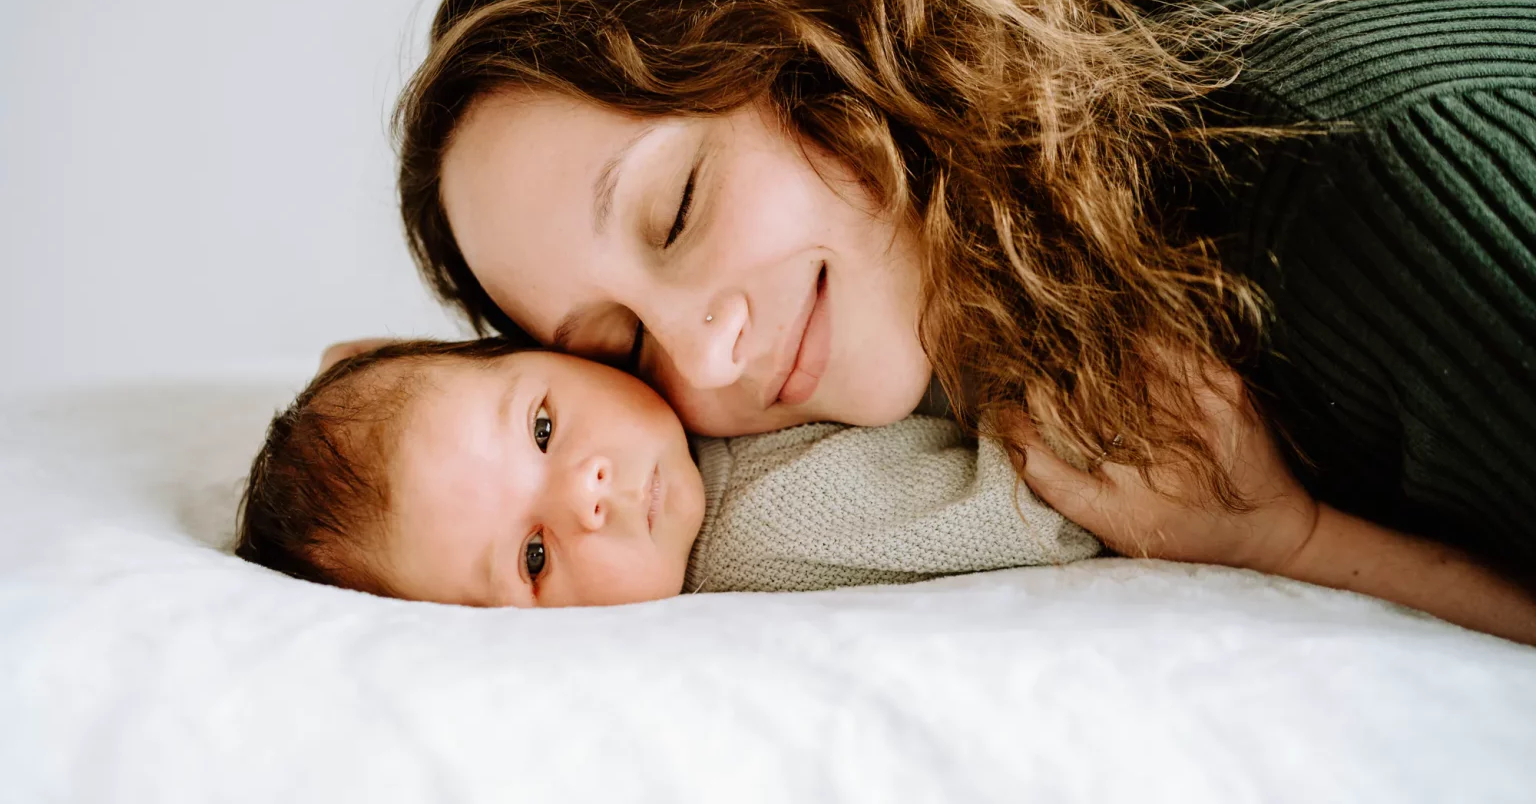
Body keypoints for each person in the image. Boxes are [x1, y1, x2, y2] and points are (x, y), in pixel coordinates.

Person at [353, 0, 1536, 637]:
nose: (706, 355)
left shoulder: (1354, 191)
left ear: (806, 51)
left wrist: (1295, 544)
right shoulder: (1068, 114)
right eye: (621, 345)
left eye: (676, 214)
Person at [234, 339, 1100, 607]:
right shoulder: (776, 528)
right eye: (534, 558)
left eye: (543, 426)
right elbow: (1047, 510)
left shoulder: (699, 358)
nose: (587, 491)